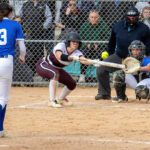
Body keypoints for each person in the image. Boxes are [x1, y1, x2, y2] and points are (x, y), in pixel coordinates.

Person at [95, 6, 150, 101]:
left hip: (135, 59)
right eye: (129, 16)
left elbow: (148, 45)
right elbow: (112, 42)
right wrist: (107, 52)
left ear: (138, 16)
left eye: (134, 16)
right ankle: (104, 93)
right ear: (125, 16)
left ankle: (142, 89)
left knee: (130, 75)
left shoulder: (144, 28)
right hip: (119, 55)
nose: (131, 18)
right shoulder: (117, 26)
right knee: (101, 69)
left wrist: (147, 57)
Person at [35, 32, 94, 108]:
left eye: (77, 42)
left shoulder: (77, 52)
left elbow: (83, 60)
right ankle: (51, 101)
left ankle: (61, 99)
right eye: (73, 41)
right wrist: (71, 57)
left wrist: (93, 62)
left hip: (57, 69)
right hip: (44, 65)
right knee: (54, 74)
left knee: (72, 84)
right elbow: (59, 56)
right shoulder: (61, 46)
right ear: (68, 42)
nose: (75, 43)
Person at [0, 3, 26, 137]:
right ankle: (0, 130)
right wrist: (22, 57)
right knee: (3, 98)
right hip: (5, 61)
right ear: (9, 13)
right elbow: (22, 48)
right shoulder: (15, 25)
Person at [19, 0, 52, 75]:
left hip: (39, 33)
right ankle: (30, 72)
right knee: (28, 53)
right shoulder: (25, 5)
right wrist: (22, 27)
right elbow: (19, 17)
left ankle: (39, 71)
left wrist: (43, 27)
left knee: (39, 52)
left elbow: (49, 17)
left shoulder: (44, 5)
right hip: (27, 33)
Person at [79, 9, 110, 82]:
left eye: (95, 17)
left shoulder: (103, 25)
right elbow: (80, 39)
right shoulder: (84, 26)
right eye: (92, 17)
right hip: (87, 48)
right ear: (89, 18)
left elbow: (107, 39)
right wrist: (87, 44)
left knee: (103, 55)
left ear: (98, 17)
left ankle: (102, 76)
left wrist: (98, 44)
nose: (93, 19)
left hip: (99, 48)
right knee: (84, 55)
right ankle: (82, 76)